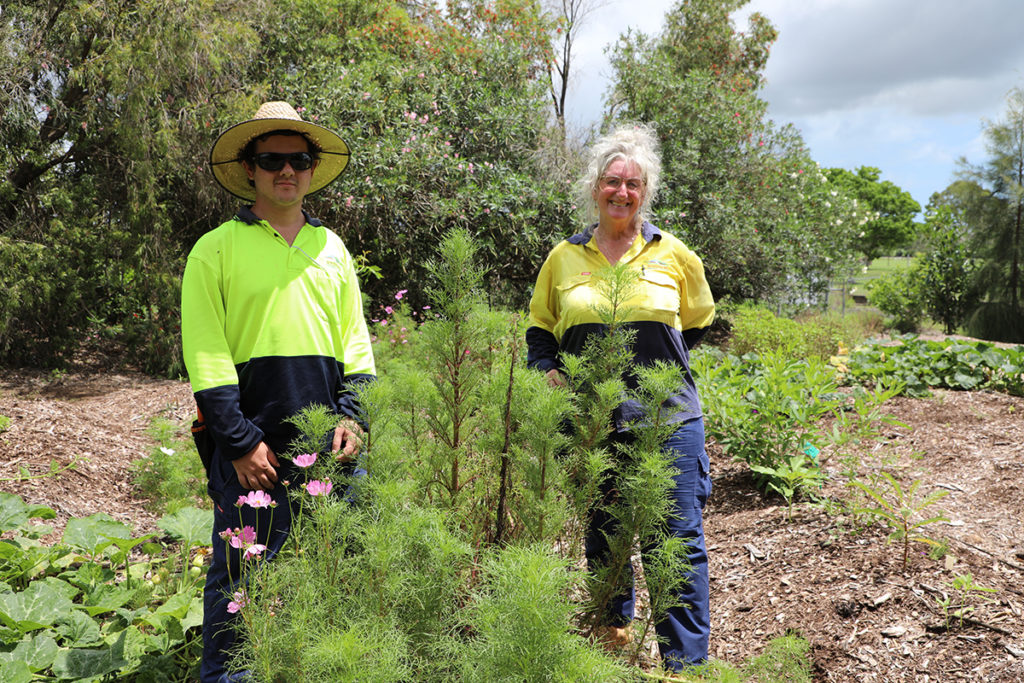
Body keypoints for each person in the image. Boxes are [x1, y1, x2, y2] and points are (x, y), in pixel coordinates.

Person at [182, 101, 376, 683]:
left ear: (313, 168)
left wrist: (354, 419)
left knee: (332, 580)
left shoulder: (334, 250)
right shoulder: (214, 250)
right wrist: (239, 443)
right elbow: (208, 357)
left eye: (299, 159)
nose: (286, 171)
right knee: (239, 587)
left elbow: (357, 350)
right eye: (272, 160)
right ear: (250, 169)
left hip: (333, 455)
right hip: (252, 460)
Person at [526, 124, 715, 672]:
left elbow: (696, 323)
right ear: (595, 188)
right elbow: (541, 330)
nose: (622, 193)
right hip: (593, 422)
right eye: (613, 181)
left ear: (646, 192)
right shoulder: (563, 257)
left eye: (634, 184)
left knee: (674, 541)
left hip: (669, 419)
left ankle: (686, 665)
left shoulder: (673, 254)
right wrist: (548, 371)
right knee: (604, 537)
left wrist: (653, 371)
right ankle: (613, 646)